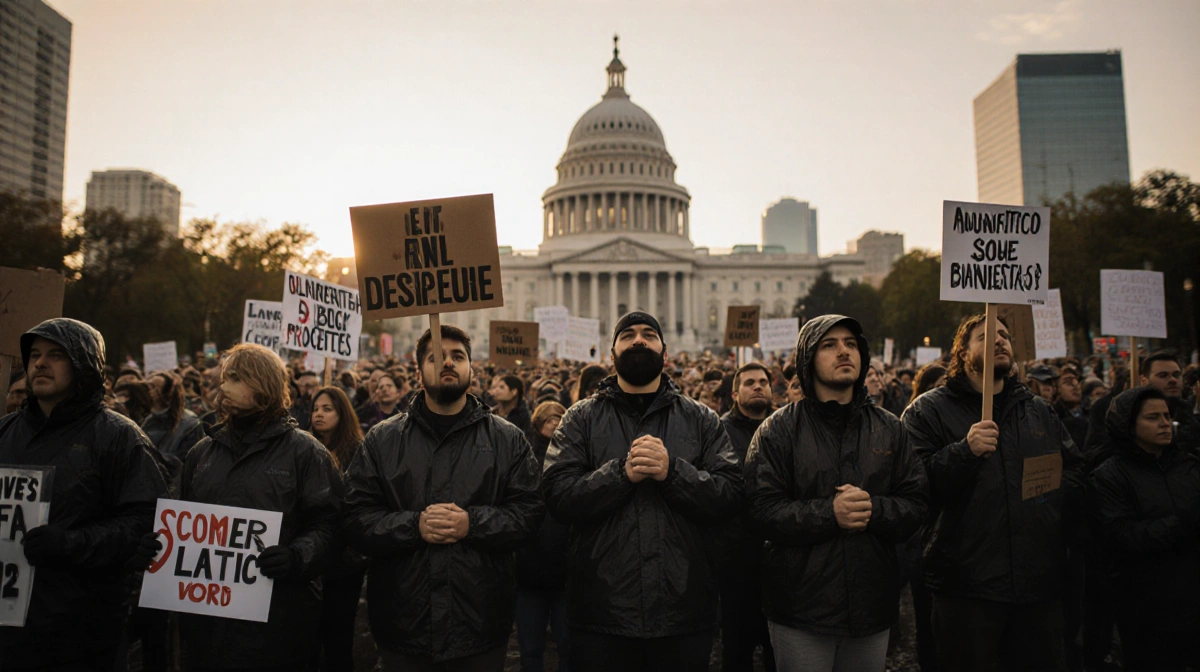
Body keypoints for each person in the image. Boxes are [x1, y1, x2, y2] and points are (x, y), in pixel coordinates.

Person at [542, 311, 742, 672]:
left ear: (665, 353)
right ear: (611, 353)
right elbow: (557, 495)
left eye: (649, 334)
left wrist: (673, 474)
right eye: (628, 335)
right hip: (602, 611)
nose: (638, 340)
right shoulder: (579, 418)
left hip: (683, 608)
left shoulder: (702, 419)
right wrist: (621, 474)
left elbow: (729, 495)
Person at [343, 325, 544, 671]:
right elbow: (354, 517)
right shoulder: (382, 440)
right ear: (419, 371)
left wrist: (472, 524)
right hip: (404, 624)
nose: (448, 363)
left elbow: (530, 512)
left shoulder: (507, 440)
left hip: (479, 623)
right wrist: (413, 526)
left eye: (458, 356)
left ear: (471, 367)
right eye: (436, 357)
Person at [133, 343, 343, 671]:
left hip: (277, 630)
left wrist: (297, 556)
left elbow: (331, 525)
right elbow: (182, 519)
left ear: (262, 384)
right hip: (205, 633)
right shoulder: (203, 453)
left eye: (234, 378)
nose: (222, 386)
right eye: (223, 377)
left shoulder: (306, 454)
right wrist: (159, 545)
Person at [746, 316, 928, 672]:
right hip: (800, 610)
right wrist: (830, 514)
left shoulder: (891, 428)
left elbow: (917, 502)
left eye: (850, 343)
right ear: (807, 359)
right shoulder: (777, 430)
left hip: (871, 606)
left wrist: (873, 510)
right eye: (829, 345)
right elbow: (760, 511)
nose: (843, 351)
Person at [902, 313, 1083, 671]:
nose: (999, 340)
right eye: (985, 336)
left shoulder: (1038, 410)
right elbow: (912, 486)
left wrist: (1048, 493)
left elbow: (1075, 470)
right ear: (962, 352)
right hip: (967, 587)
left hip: (1037, 583)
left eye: (1004, 335)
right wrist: (963, 452)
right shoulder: (927, 412)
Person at [0, 318, 168, 670]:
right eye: (34, 355)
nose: (40, 363)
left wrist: (71, 543)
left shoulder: (118, 436)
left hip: (81, 630)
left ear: (84, 365)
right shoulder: (5, 431)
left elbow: (147, 522)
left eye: (56, 355)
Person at [1090, 387, 1200, 671]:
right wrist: (1183, 524)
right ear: (1129, 425)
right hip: (1146, 607)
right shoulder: (1109, 475)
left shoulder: (1188, 466)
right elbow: (1121, 535)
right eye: (1152, 417)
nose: (1164, 423)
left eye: (1166, 415)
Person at [717, 362, 777, 672]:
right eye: (750, 382)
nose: (758, 386)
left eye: (763, 382)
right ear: (735, 393)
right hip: (737, 562)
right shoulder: (719, 431)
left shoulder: (785, 427)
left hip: (781, 562)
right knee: (737, 652)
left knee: (778, 651)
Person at [310, 385, 367, 672]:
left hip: (344, 562)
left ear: (342, 413)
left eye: (327, 409)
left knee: (338, 639)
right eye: (316, 409)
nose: (319, 414)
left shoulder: (358, 451)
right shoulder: (304, 448)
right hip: (310, 562)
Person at [515, 401, 571, 672]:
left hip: (566, 570)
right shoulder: (522, 457)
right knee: (530, 650)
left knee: (568, 647)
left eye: (560, 417)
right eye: (549, 418)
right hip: (529, 569)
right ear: (537, 423)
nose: (555, 422)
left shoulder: (574, 455)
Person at [141, 370, 206, 471]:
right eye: (147, 386)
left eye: (154, 387)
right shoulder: (148, 421)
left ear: (169, 393)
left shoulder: (189, 423)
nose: (148, 391)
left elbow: (188, 461)